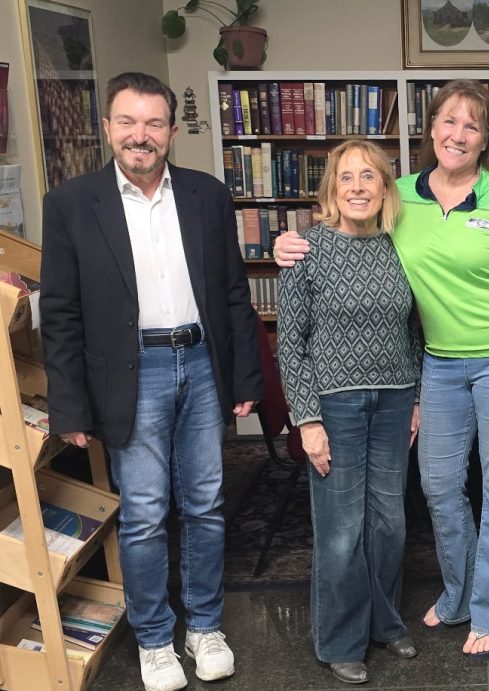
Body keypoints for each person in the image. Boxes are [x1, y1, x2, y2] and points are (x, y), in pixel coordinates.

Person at [274, 79, 489, 657]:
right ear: (431, 131)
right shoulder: (398, 195)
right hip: (441, 364)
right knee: (441, 487)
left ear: (485, 139)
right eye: (449, 122)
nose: (458, 134)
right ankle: (459, 594)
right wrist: (289, 245)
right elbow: (347, 214)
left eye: (472, 126)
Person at [39, 72, 262, 691]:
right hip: (131, 374)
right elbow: (59, 314)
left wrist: (243, 374)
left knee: (207, 505)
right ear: (108, 128)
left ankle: (205, 627)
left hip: (200, 363)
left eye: (155, 123)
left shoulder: (207, 196)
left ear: (170, 131)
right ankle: (156, 639)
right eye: (128, 122)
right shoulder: (71, 204)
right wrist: (70, 406)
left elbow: (234, 295)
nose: (142, 136)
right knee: (142, 512)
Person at [276, 140, 421, 685]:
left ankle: (385, 622)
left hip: (394, 399)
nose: (358, 187)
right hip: (332, 406)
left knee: (390, 523)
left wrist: (417, 399)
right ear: (331, 189)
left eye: (369, 177)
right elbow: (289, 344)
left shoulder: (400, 247)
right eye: (346, 178)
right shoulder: (304, 251)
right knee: (341, 529)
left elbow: (415, 331)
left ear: (386, 187)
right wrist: (307, 420)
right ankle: (340, 639)